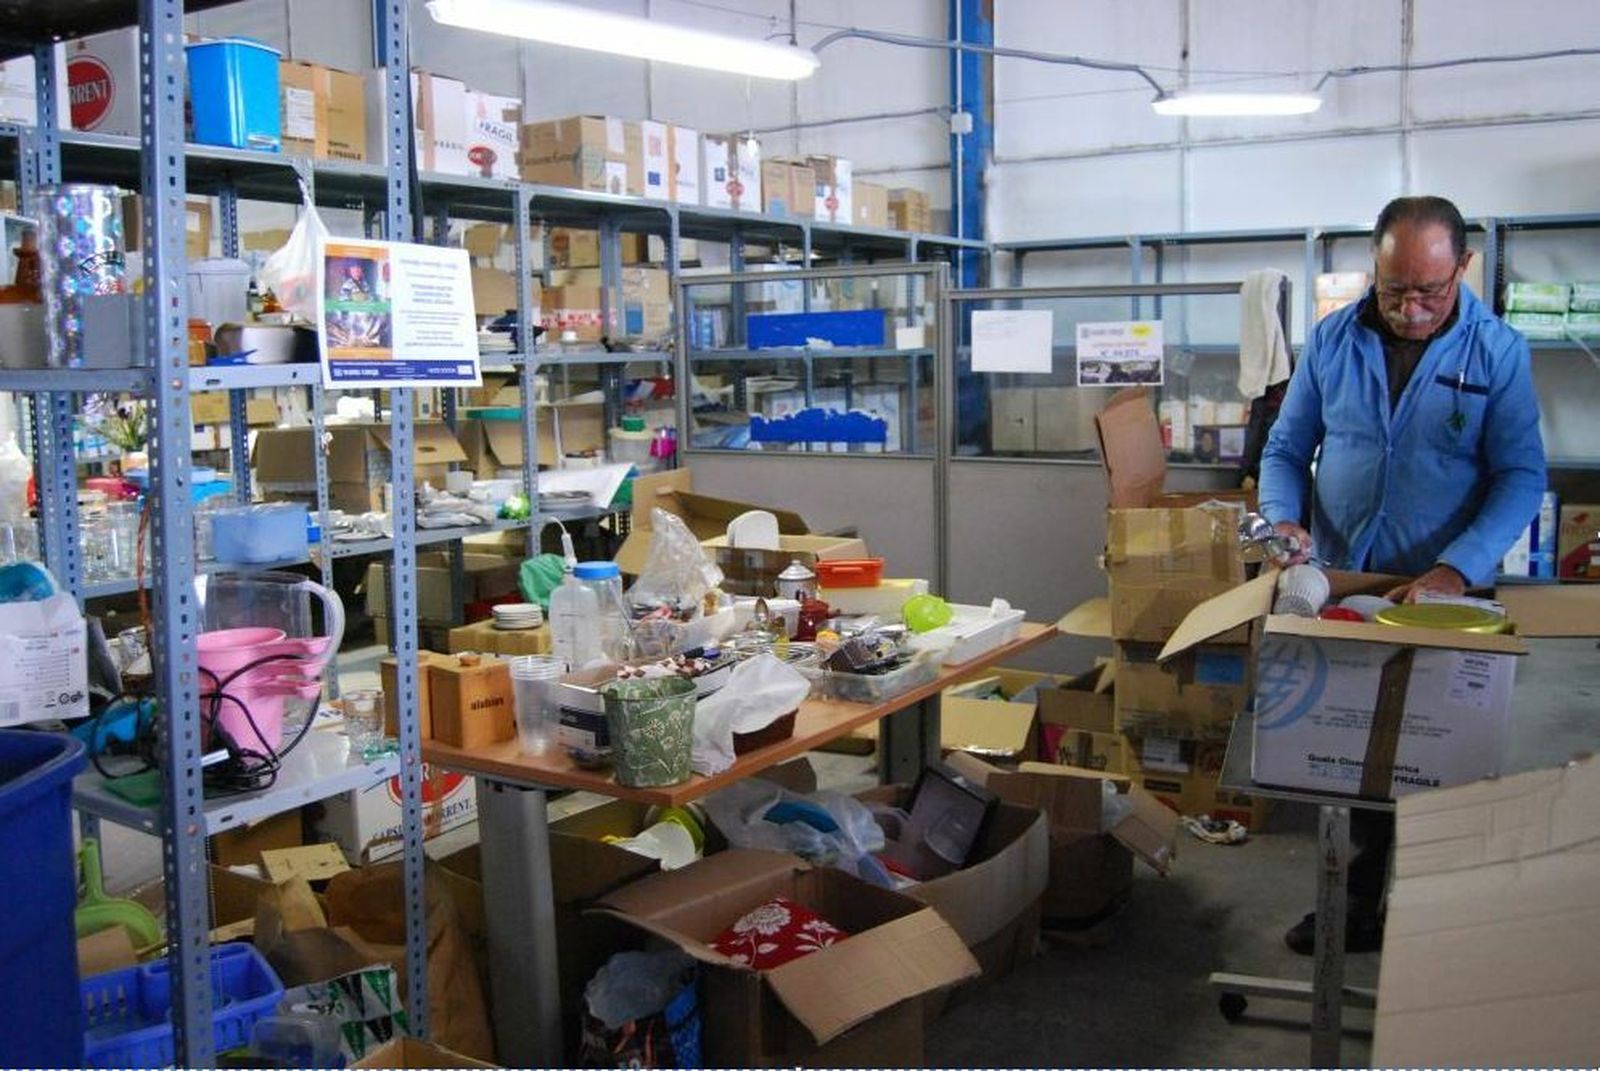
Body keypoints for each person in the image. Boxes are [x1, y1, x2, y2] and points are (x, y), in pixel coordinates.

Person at [1258, 195, 1547, 954]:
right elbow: (1287, 450)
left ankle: (1435, 923)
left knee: (1437, 762)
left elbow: (1519, 476)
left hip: (1443, 593)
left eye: (1430, 291)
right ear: (1374, 272)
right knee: (1350, 758)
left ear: (1464, 268)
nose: (1411, 309)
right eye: (1393, 291)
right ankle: (1354, 906)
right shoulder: (1331, 341)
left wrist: (1457, 570)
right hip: (1347, 582)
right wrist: (1286, 518)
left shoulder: (1498, 353)